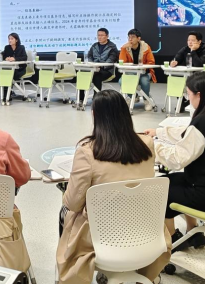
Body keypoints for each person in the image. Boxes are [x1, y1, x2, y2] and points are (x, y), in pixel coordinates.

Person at [57, 90, 170, 284]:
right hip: (145, 230)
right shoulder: (146, 143)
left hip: (102, 237)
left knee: (64, 212)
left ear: (95, 115)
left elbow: (74, 203)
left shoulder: (87, 152)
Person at [144, 72, 205, 250]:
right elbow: (188, 134)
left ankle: (173, 240)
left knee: (159, 189)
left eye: (188, 94)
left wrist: (153, 147)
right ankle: (193, 232)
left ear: (199, 95)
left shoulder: (202, 121)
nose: (188, 99)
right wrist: (159, 132)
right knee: (170, 180)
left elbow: (177, 160)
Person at [118, 29, 157, 110]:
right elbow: (122, 62)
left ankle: (146, 99)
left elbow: (151, 62)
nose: (130, 39)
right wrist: (123, 49)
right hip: (130, 73)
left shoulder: (146, 47)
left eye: (132, 37)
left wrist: (143, 67)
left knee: (144, 81)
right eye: (129, 37)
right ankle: (133, 97)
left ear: (138, 38)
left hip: (144, 72)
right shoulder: (125, 48)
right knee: (121, 81)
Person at [2, 33, 27, 99]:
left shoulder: (21, 47)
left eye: (12, 39)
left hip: (20, 69)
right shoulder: (7, 47)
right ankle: (6, 94)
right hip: (10, 69)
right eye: (9, 39)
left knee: (10, 76)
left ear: (16, 40)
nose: (10, 40)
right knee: (5, 74)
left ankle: (7, 94)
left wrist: (14, 59)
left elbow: (24, 57)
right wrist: (6, 58)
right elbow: (3, 56)